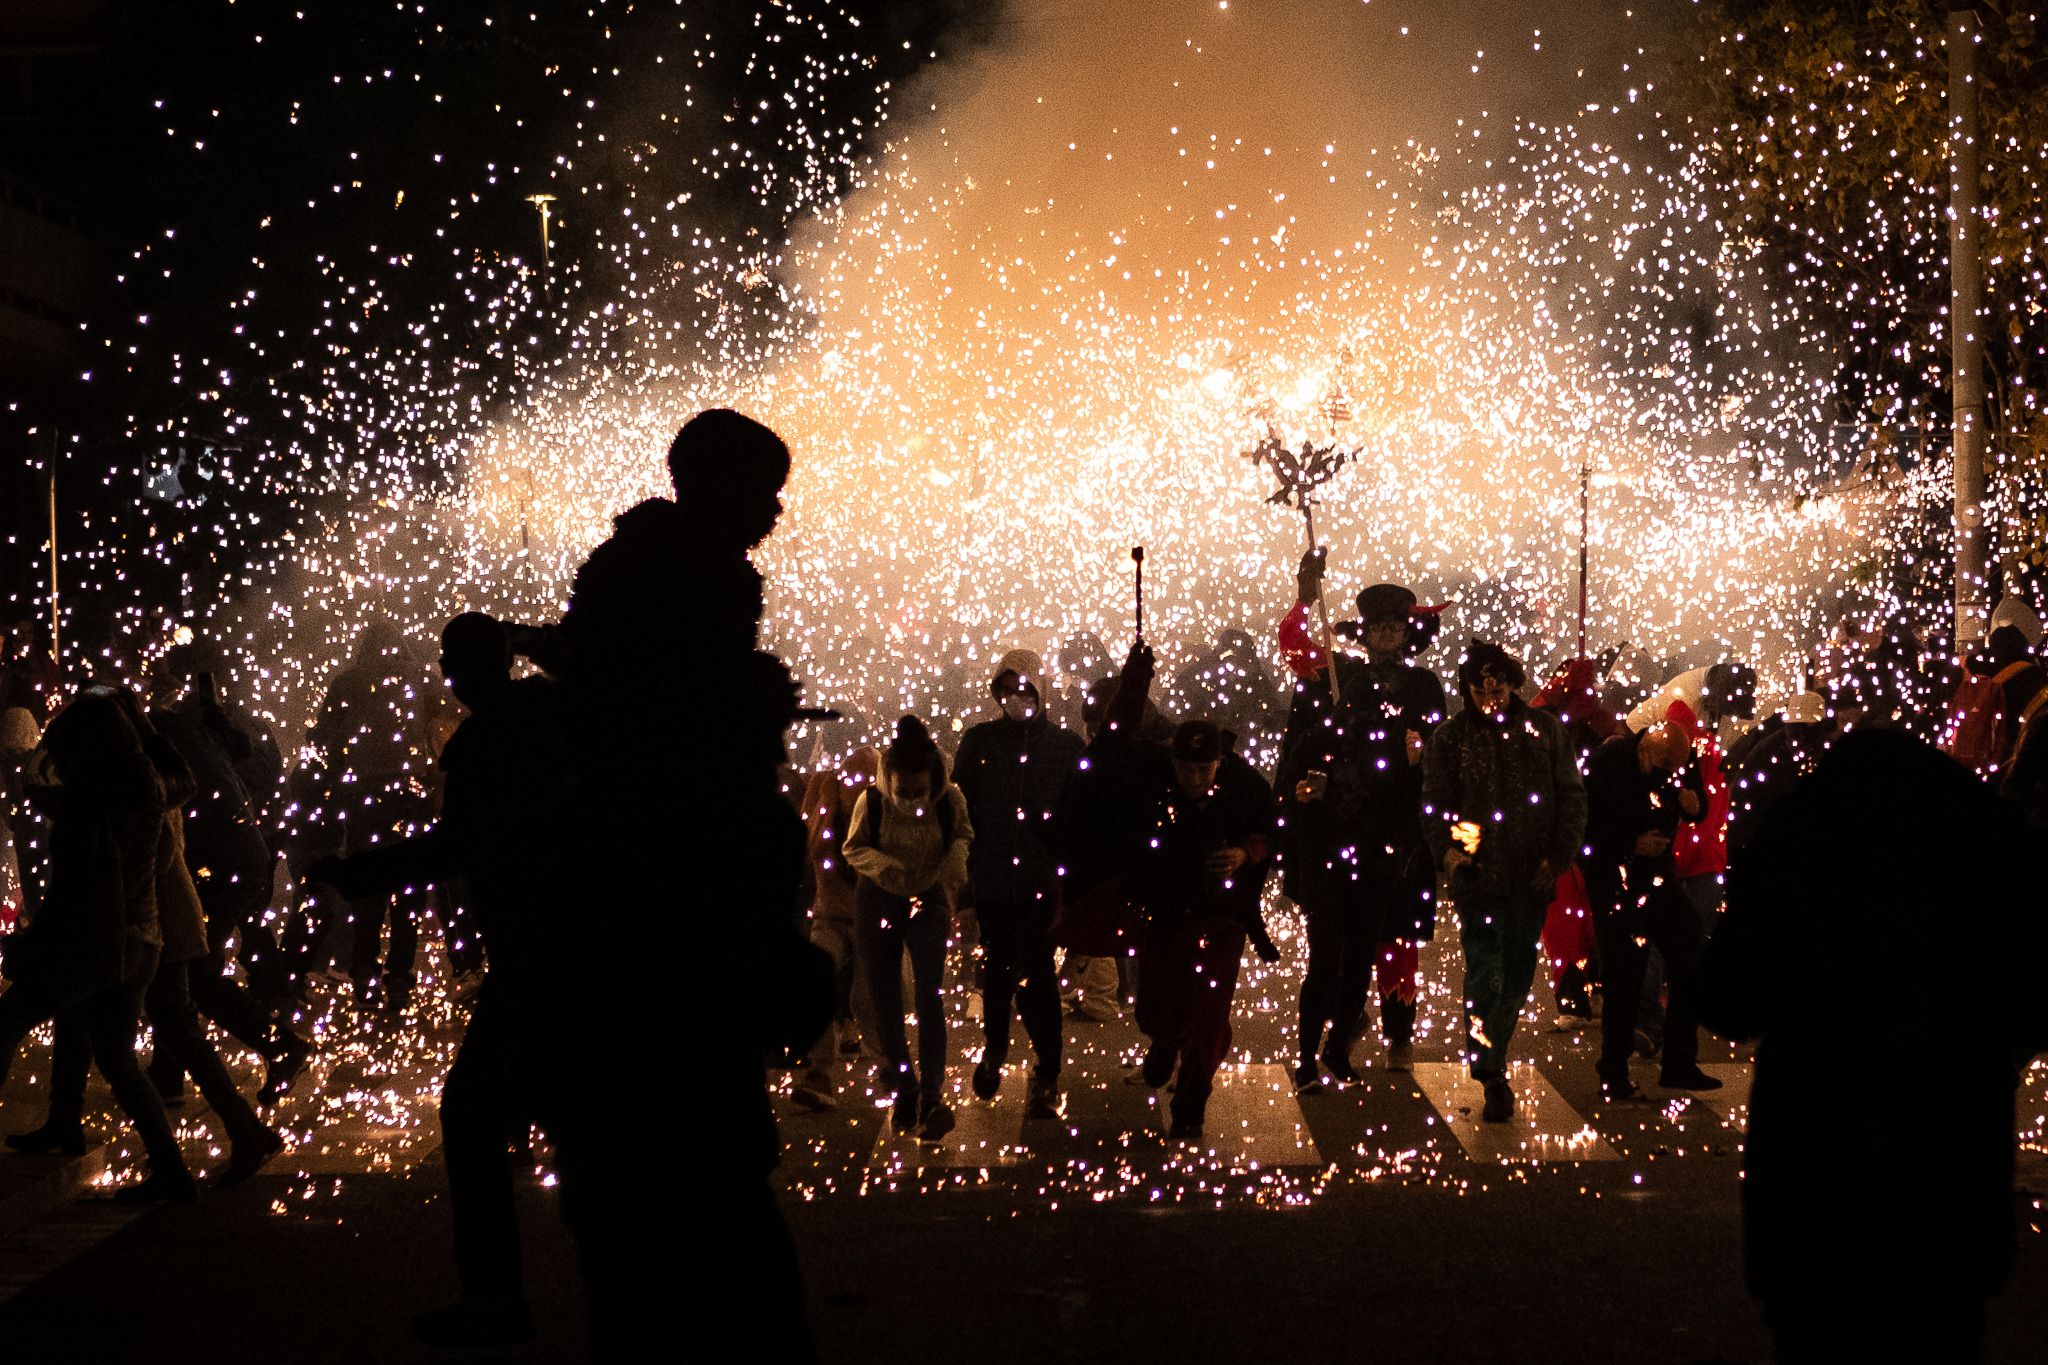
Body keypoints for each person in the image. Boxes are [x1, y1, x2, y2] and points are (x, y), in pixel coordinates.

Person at [1695, 730, 2046, 1362]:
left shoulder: (1802, 830)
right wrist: (1981, 1056)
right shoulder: (1989, 836)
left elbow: (1730, 999)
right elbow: (2035, 993)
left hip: (1817, 1167)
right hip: (1950, 1168)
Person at [312, 613, 568, 1349]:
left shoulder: (486, 740)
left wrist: (353, 871)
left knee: (470, 1115)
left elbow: (451, 847)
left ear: (457, 673)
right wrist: (536, 644)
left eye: (452, 664)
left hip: (532, 955)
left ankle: (495, 1299)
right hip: (571, 943)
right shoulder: (549, 713)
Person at [0, 691, 198, 1204]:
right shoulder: (145, 781)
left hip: (98, 942)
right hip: (141, 938)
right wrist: (146, 727)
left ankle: (155, 1165)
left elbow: (78, 889)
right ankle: (170, 1171)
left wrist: (33, 946)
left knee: (5, 1022)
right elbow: (182, 779)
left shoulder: (93, 799)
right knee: (114, 1054)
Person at [1275, 553, 1446, 1088]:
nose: (1387, 636)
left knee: (1388, 945)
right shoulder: (1337, 677)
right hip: (1334, 836)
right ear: (1365, 634)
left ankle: (1366, 1038)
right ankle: (1309, 1054)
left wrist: (1425, 760)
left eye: (1396, 627)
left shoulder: (1425, 688)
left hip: (1393, 837)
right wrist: (1304, 596)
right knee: (1329, 958)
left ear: (1407, 633)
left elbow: (1442, 755)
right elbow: (1294, 650)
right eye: (1378, 627)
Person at [1096, 645, 1277, 1141]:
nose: (1196, 779)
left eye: (1205, 770)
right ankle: (1165, 1038)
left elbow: (1274, 830)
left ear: (1220, 763)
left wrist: (1246, 852)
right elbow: (1112, 744)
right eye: (1187, 769)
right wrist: (1133, 684)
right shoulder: (1152, 774)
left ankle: (1192, 1099)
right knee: (1156, 1003)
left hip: (1221, 916)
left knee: (1211, 1012)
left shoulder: (1243, 783)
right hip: (1163, 912)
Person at [1420, 641, 1587, 1123]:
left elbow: (1571, 798)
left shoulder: (1545, 731)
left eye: (1497, 684)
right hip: (1479, 879)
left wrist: (1555, 857)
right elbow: (1437, 802)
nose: (1488, 695)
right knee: (1484, 974)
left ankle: (1494, 1052)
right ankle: (1490, 1071)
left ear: (1514, 683)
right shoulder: (1450, 738)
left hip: (1531, 877)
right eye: (1478, 686)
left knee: (1514, 978)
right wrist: (1457, 852)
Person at [952, 650, 1083, 1118]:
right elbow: (961, 818)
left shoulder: (1066, 747)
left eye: (1025, 690)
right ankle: (995, 1051)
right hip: (992, 881)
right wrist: (965, 887)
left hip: (1042, 885)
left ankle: (1046, 1071)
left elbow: (1078, 822)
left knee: (1038, 979)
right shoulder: (979, 742)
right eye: (1008, 691)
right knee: (999, 974)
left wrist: (1072, 884)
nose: (1017, 699)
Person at [842, 715, 974, 1139]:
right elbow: (852, 847)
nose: (915, 802)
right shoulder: (873, 802)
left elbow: (963, 834)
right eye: (906, 793)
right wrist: (884, 866)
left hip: (928, 897)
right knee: (886, 1000)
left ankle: (932, 1095)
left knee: (929, 994)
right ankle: (906, 1087)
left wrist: (955, 861)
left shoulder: (950, 799)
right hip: (879, 897)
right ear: (890, 780)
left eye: (921, 793)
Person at [1580, 722, 1721, 1099]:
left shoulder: (1678, 760)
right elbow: (1582, 830)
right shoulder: (1606, 764)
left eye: (1676, 767)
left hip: (1660, 878)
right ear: (1645, 748)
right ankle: (1613, 1070)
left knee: (1690, 949)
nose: (1669, 773)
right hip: (1615, 881)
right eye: (1663, 766)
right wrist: (1630, 844)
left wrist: (1695, 806)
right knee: (1624, 972)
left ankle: (1679, 1061)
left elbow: (1697, 804)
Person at [791, 746, 881, 1112]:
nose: (855, 791)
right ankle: (819, 1073)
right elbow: (806, 849)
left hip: (873, 922)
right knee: (814, 981)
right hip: (830, 917)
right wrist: (825, 803)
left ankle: (893, 1071)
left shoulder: (881, 814)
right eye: (849, 782)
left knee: (867, 999)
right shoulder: (826, 808)